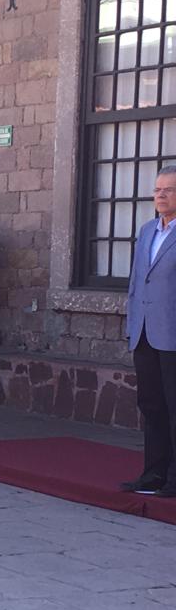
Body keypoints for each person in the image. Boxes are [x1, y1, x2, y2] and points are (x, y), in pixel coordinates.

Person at [122, 165, 176, 498]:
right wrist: (131, 323)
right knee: (151, 404)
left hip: (173, 334)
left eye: (168, 190)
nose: (160, 195)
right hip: (144, 331)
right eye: (157, 190)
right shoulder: (146, 231)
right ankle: (153, 474)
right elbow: (136, 281)